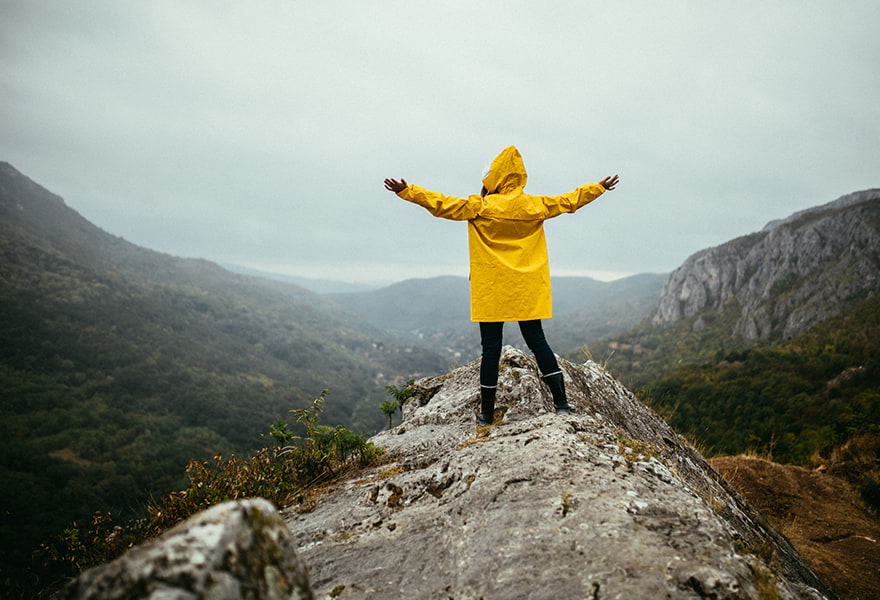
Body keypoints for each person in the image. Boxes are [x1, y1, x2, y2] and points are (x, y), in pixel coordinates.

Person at [384, 146, 618, 425]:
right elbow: (569, 201)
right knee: (538, 341)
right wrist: (598, 188)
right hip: (526, 287)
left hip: (492, 287)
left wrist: (407, 190)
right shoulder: (534, 205)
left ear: (493, 179)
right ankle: (562, 405)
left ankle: (486, 414)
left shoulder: (479, 207)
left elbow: (441, 203)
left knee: (491, 350)